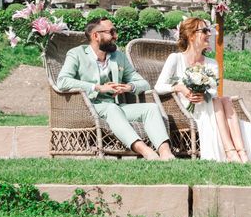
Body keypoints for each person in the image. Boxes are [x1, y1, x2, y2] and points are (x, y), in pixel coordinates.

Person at [57, 17, 174, 160]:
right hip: (88, 107)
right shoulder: (77, 54)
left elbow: (144, 83)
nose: (116, 36)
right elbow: (62, 81)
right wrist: (98, 88)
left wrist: (129, 87)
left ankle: (165, 153)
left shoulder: (118, 56)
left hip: (115, 107)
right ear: (96, 36)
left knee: (151, 108)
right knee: (111, 109)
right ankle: (146, 151)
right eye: (111, 32)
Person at [155, 17, 251, 162]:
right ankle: (233, 152)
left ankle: (238, 153)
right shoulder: (175, 58)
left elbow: (213, 91)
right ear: (191, 35)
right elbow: (158, 87)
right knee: (219, 101)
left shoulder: (211, 63)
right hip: (186, 108)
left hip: (207, 105)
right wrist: (180, 87)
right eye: (205, 31)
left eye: (209, 30)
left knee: (223, 99)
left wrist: (202, 94)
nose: (209, 34)